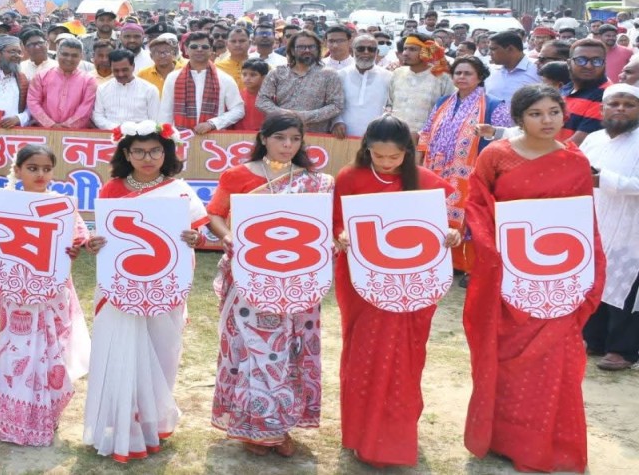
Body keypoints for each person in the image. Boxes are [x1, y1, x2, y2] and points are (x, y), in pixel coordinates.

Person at [463, 84, 604, 473]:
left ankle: (546, 442)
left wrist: (583, 272)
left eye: (554, 112)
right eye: (536, 114)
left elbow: (583, 222)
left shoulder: (575, 161)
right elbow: (478, 204)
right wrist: (494, 252)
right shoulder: (496, 155)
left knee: (556, 361)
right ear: (519, 118)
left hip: (558, 278)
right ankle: (503, 439)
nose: (547, 120)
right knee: (506, 359)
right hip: (508, 274)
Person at [331, 116, 462, 467]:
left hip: (412, 282)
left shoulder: (425, 182)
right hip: (363, 281)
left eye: (395, 157)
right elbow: (336, 220)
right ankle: (361, 434)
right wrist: (341, 234)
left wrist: (452, 234)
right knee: (363, 353)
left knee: (406, 356)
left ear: (408, 152)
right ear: (366, 150)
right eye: (379, 156)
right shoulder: (350, 177)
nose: (387, 163)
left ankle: (395, 435)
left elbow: (446, 224)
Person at [207, 113, 333, 457]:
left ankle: (280, 426)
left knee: (288, 349)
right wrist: (229, 236)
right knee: (252, 349)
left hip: (296, 280)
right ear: (264, 138)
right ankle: (253, 427)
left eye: (295, 139)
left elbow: (323, 227)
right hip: (249, 274)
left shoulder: (313, 182)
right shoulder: (237, 175)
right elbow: (214, 214)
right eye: (280, 138)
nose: (287, 145)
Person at [82, 121, 208, 462]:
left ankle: (152, 423)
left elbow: (199, 234)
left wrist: (196, 239)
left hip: (164, 286)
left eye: (154, 151)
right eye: (138, 151)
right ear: (126, 154)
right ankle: (123, 425)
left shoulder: (179, 190)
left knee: (162, 351)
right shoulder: (112, 188)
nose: (147, 158)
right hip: (121, 286)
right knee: (121, 353)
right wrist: (93, 243)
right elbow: (102, 234)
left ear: (166, 152)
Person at [0, 144, 97, 445]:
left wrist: (75, 248)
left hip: (52, 291)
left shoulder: (61, 206)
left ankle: (46, 416)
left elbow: (79, 239)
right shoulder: (5, 204)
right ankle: (12, 419)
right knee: (16, 351)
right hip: (14, 292)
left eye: (46, 169)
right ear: (18, 170)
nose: (40, 174)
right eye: (33, 168)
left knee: (52, 350)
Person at [419, 56, 512, 279]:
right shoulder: (443, 102)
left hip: (473, 171)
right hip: (437, 168)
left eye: (468, 73)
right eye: (458, 73)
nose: (462, 77)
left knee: (471, 214)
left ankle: (466, 265)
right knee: (436, 211)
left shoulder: (494, 105)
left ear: (480, 77)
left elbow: (505, 140)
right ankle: (438, 257)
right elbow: (427, 131)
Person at [581, 83, 639, 371]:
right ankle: (594, 340)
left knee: (625, 287)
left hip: (631, 229)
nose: (620, 109)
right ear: (602, 109)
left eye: (629, 105)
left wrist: (603, 179)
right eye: (614, 104)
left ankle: (622, 350)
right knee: (596, 282)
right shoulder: (593, 139)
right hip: (596, 221)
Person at [257, 30, 345, 133]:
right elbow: (262, 101)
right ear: (292, 51)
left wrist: (304, 116)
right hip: (282, 132)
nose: (307, 50)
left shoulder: (329, 74)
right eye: (301, 47)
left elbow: (336, 105)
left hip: (316, 136)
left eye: (311, 47)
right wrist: (284, 115)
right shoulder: (278, 72)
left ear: (318, 50)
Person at [159, 31, 243, 133]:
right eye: (194, 47)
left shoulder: (224, 79)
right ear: (186, 49)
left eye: (204, 47)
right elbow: (165, 113)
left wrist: (212, 123)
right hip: (180, 138)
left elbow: (238, 109)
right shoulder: (173, 78)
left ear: (211, 50)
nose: (199, 50)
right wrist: (166, 136)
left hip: (213, 138)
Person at [387, 33, 456, 135]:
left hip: (427, 138)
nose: (405, 53)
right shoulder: (397, 73)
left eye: (412, 49)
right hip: (395, 136)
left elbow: (448, 111)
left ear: (426, 52)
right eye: (405, 49)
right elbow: (389, 104)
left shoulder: (442, 77)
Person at [28, 37, 97, 129]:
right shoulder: (41, 76)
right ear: (57, 54)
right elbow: (33, 102)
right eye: (65, 54)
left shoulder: (89, 80)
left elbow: (86, 108)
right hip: (44, 131)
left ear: (81, 56)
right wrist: (50, 124)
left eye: (74, 55)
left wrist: (67, 126)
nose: (69, 59)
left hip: (75, 133)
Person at [333, 34, 393, 139]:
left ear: (377, 52)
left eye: (371, 49)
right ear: (352, 51)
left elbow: (390, 106)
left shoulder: (388, 77)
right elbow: (332, 104)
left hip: (376, 137)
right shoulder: (340, 75)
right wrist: (336, 122)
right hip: (343, 138)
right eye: (360, 49)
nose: (366, 52)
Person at [93, 49, 161, 129]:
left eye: (125, 70)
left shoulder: (150, 90)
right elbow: (98, 116)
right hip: (111, 133)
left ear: (133, 66)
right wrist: (117, 128)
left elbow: (154, 120)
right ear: (111, 68)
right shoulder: (102, 89)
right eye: (116, 70)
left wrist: (134, 130)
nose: (120, 74)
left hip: (141, 135)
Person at [563, 38, 612, 145]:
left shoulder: (607, 96)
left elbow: (577, 143)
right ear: (569, 63)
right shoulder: (566, 88)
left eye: (596, 61)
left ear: (604, 64)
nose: (588, 66)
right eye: (581, 60)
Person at [484, 30, 540, 103]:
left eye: (493, 49)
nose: (489, 53)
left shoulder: (537, 70)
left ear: (510, 49)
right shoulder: (490, 71)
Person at [232, 59, 270, 132]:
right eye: (244, 74)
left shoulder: (272, 97)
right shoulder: (237, 96)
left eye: (253, 75)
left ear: (264, 77)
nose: (247, 78)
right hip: (239, 136)